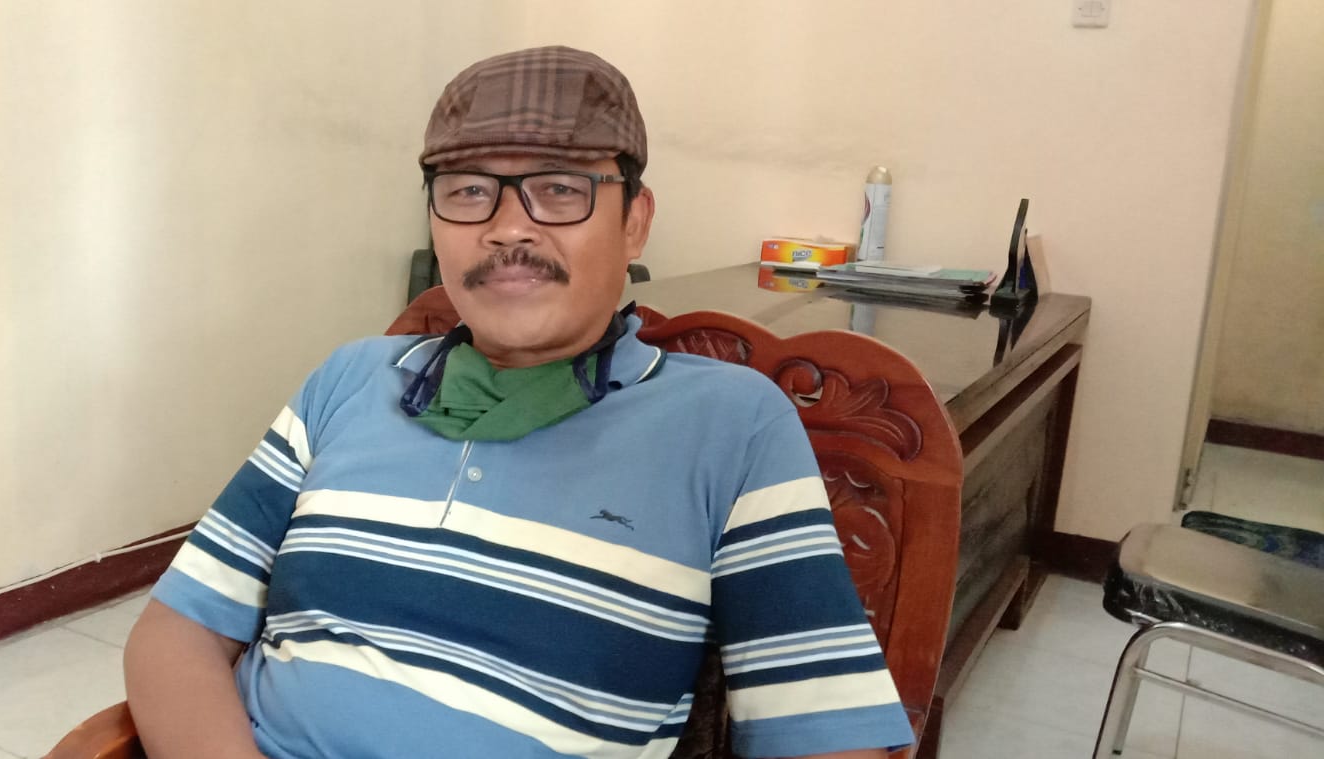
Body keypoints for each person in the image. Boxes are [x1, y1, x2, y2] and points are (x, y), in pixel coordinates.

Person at [124, 45, 913, 759]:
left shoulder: (732, 427)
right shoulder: (350, 381)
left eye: (559, 189)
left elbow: (828, 735)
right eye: (469, 190)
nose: (507, 229)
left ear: (635, 222)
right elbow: (179, 628)